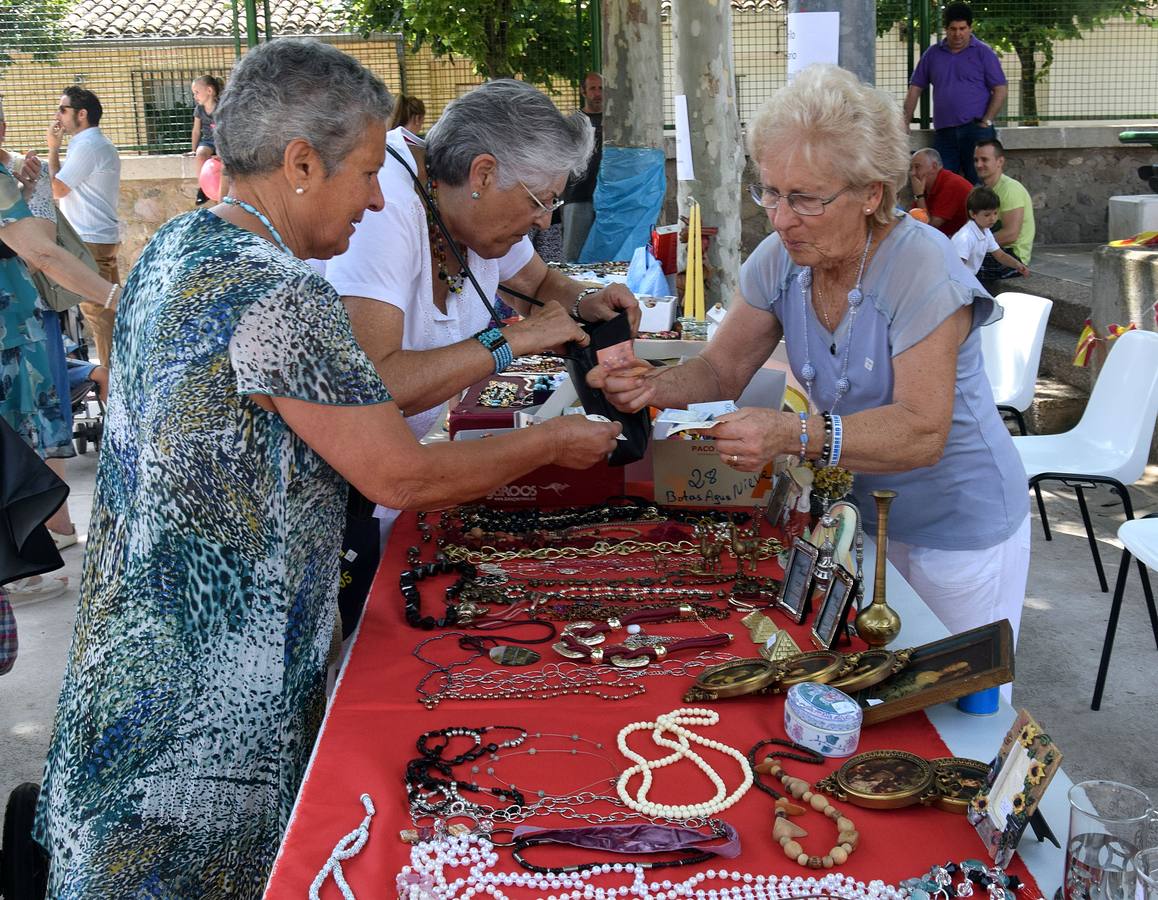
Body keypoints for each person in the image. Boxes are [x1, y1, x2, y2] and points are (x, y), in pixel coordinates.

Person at [32, 39, 620, 898]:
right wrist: (552, 444)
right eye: (370, 173)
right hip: (212, 713)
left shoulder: (173, 248)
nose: (380, 198)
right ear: (301, 163)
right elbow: (401, 477)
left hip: (131, 665)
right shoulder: (281, 293)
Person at [590, 64, 1030, 655]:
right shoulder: (782, 257)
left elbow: (922, 433)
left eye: (803, 198)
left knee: (952, 704)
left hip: (956, 530)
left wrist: (791, 433)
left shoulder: (923, 267)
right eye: (769, 190)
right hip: (856, 522)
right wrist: (651, 386)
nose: (779, 216)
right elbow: (721, 371)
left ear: (872, 193)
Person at [326, 77, 638, 542]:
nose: (545, 220)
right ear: (484, 174)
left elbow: (535, 281)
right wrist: (510, 340)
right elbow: (378, 385)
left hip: (383, 475)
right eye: (541, 200)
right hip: (329, 486)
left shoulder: (469, 210)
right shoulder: (385, 206)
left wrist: (584, 299)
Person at [0, 116, 119, 600]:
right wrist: (119, 298)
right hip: (10, 334)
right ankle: (15, 571)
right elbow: (42, 251)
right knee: (16, 444)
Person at [0, 96, 90, 555]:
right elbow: (45, 248)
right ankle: (35, 540)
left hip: (25, 319)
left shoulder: (12, 173)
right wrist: (113, 295)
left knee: (31, 423)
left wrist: (24, 185)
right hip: (16, 322)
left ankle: (51, 530)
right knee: (28, 423)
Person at [46, 85, 122, 366]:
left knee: (99, 316)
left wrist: (52, 149)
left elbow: (57, 189)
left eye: (63, 109)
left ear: (82, 114)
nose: (58, 115)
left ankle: (112, 390)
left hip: (89, 241)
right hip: (98, 238)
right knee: (110, 312)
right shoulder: (90, 144)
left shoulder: (89, 146)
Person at [902, 2, 1007, 184]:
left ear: (970, 28)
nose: (958, 34)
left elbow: (1000, 89)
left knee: (980, 185)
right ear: (946, 29)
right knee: (940, 183)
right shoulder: (932, 54)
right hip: (945, 133)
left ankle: (979, 214)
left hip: (976, 131)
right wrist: (905, 120)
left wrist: (987, 121)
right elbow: (915, 88)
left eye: (962, 28)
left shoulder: (984, 53)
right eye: (953, 29)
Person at [973, 138, 1035, 279]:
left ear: (1000, 161)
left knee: (957, 267)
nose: (979, 164)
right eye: (976, 160)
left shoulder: (1010, 189)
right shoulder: (982, 190)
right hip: (992, 251)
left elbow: (1010, 234)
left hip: (1012, 257)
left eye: (984, 160)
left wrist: (974, 245)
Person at [561, 71, 603, 262]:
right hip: (579, 195)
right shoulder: (573, 124)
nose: (597, 93)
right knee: (573, 255)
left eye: (601, 88)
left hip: (609, 199)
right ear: (583, 91)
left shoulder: (617, 122)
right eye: (593, 88)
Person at [952, 186, 1030, 278]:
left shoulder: (986, 231)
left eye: (995, 213)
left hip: (968, 279)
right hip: (957, 282)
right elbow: (956, 267)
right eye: (987, 215)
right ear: (973, 214)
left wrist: (1017, 265)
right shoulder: (966, 237)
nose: (993, 218)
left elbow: (1000, 255)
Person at [909, 147, 972, 238]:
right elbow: (913, 220)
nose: (912, 173)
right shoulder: (926, 185)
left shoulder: (951, 184)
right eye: (911, 168)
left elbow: (928, 228)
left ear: (934, 167)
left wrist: (919, 195)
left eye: (917, 167)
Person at [190, 74, 224, 205]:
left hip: (221, 140)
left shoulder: (222, 107)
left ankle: (222, 189)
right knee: (200, 154)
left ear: (209, 91)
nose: (195, 96)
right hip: (208, 141)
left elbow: (227, 129)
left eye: (197, 92)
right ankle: (203, 188)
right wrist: (194, 149)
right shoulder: (199, 109)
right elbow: (196, 130)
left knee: (222, 157)